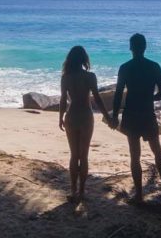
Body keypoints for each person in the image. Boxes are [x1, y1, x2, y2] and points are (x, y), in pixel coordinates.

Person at [110, 33, 161, 203]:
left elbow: (118, 93)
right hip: (147, 113)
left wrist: (114, 115)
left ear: (131, 47)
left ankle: (139, 196)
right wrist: (150, 98)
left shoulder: (125, 67)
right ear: (144, 47)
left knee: (134, 155)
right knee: (157, 151)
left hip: (131, 114)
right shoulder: (154, 66)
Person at [59, 45, 112, 203]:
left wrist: (60, 117)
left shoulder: (66, 77)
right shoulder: (90, 76)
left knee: (74, 155)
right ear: (84, 59)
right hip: (86, 116)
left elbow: (63, 99)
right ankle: (82, 191)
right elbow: (96, 98)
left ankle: (73, 191)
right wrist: (107, 117)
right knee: (84, 155)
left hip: (72, 115)